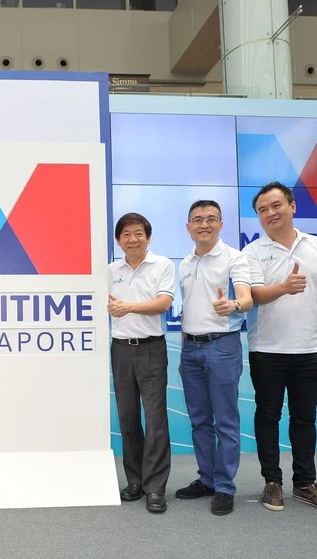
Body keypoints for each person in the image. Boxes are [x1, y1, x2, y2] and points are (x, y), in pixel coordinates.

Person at [243, 182, 317, 515]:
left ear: (292, 206)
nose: (270, 214)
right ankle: (272, 481)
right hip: (266, 350)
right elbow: (254, 295)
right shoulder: (251, 252)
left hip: (310, 349)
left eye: (276, 206)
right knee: (267, 416)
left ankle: (305, 483)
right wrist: (284, 287)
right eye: (262, 210)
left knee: (304, 419)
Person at [174, 200, 252, 516]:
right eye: (197, 219)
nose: (204, 224)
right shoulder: (184, 263)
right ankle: (207, 479)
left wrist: (234, 305)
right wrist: (185, 349)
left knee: (226, 421)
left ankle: (224, 487)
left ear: (220, 224)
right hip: (190, 348)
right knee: (199, 420)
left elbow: (246, 298)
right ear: (188, 227)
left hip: (222, 346)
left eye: (211, 218)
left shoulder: (235, 257)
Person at [107, 213, 175, 514]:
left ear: (148, 237)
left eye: (138, 234)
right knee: (128, 417)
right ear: (118, 240)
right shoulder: (110, 270)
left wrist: (128, 307)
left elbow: (164, 303)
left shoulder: (163, 265)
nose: (132, 239)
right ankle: (135, 481)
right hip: (121, 350)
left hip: (151, 349)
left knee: (156, 418)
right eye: (126, 234)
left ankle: (155, 487)